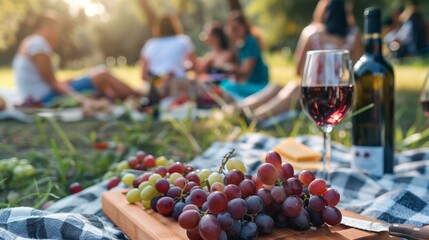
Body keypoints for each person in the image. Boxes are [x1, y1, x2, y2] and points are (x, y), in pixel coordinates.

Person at [237, 0, 363, 124]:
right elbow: (358, 71)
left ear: (322, 12)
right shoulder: (353, 34)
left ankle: (254, 116)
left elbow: (299, 71)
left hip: (323, 95)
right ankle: (245, 110)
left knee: (294, 89)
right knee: (279, 87)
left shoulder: (312, 33)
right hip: (341, 93)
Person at [13, 11, 139, 107]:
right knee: (102, 74)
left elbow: (47, 79)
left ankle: (128, 97)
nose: (58, 33)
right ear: (48, 27)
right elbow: (53, 83)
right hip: (44, 98)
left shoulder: (30, 42)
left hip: (38, 95)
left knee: (94, 78)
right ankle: (139, 96)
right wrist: (81, 99)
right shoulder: (38, 44)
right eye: (56, 29)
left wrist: (69, 82)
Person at [140, 15, 196, 99]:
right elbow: (195, 66)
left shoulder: (150, 44)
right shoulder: (183, 40)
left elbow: (143, 75)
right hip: (176, 79)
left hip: (156, 80)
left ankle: (162, 86)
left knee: (157, 82)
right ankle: (165, 83)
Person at [219, 11, 269, 100]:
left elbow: (246, 71)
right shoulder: (240, 45)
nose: (233, 33)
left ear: (244, 27)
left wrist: (232, 69)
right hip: (249, 84)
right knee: (225, 85)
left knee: (226, 86)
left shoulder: (250, 42)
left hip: (259, 86)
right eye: (231, 30)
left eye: (236, 29)